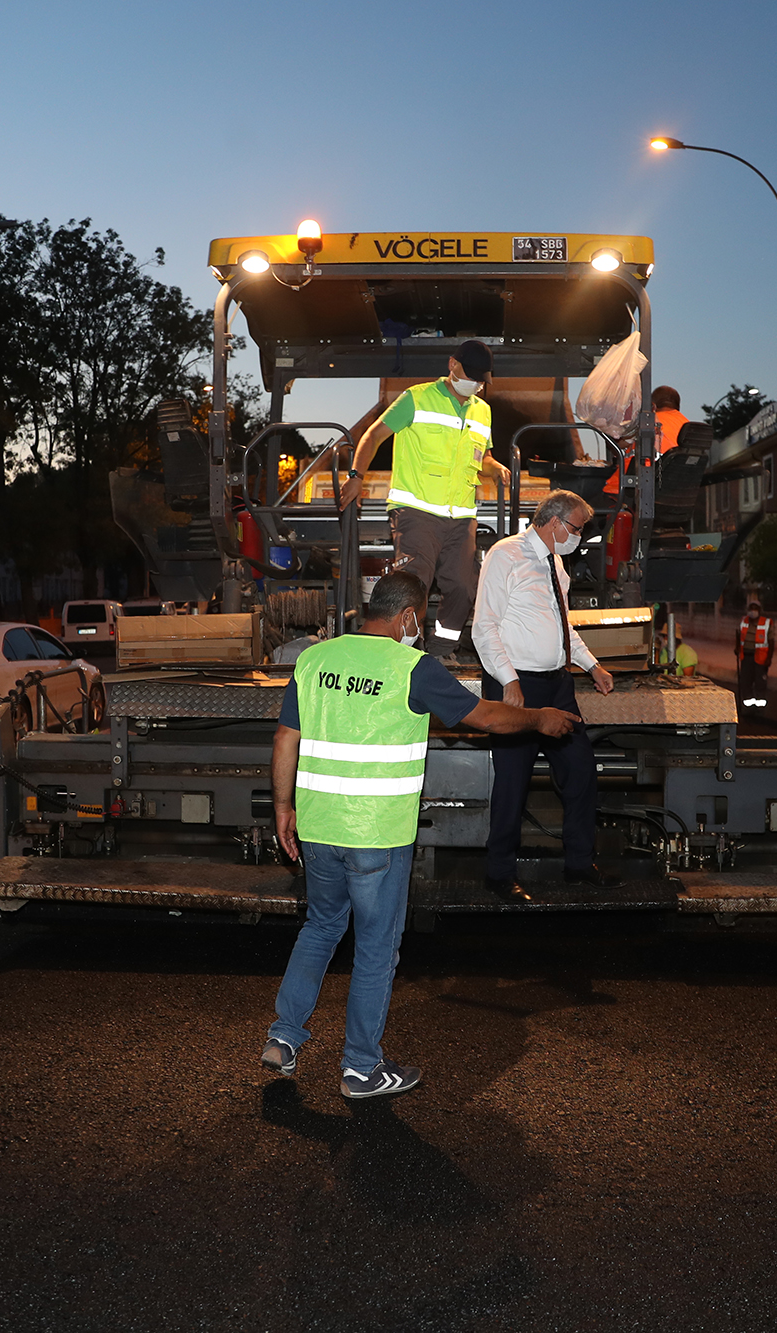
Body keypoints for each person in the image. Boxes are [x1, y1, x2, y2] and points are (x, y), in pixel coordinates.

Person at [262, 571, 580, 1097]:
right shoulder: (413, 667)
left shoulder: (314, 659)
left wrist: (281, 806)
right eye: (422, 617)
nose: (422, 627)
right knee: (376, 950)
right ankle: (361, 1069)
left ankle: (283, 1036)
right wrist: (539, 717)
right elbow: (485, 717)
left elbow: (284, 735)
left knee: (320, 930)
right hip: (377, 836)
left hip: (317, 827)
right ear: (407, 616)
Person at [472, 490, 618, 903]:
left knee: (581, 772)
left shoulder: (555, 562)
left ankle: (578, 865)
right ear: (553, 522)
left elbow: (563, 625)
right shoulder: (506, 555)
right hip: (519, 686)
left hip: (558, 684)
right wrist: (509, 681)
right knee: (513, 784)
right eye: (576, 528)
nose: (579, 537)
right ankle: (499, 874)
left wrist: (592, 665)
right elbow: (484, 627)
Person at [341, 340, 511, 655]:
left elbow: (482, 458)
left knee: (463, 587)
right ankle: (403, 654)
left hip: (461, 518)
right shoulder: (416, 399)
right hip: (416, 513)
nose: (474, 383)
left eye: (480, 379)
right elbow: (374, 435)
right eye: (470, 375)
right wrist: (356, 477)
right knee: (411, 587)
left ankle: (439, 652)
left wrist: (495, 466)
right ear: (452, 365)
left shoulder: (482, 411)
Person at [601, 385, 688, 497]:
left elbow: (617, 444)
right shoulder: (688, 426)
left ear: (653, 405)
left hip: (630, 489)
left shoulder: (648, 421)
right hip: (674, 493)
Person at [736, 598, 770, 702]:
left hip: (760, 657)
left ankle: (760, 704)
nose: (753, 611)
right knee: (746, 680)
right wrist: (737, 648)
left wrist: (769, 658)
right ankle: (748, 703)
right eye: (751, 608)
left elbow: (771, 642)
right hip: (746, 656)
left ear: (760, 610)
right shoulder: (743, 621)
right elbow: (739, 636)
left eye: (755, 608)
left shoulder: (766, 623)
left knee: (760, 681)